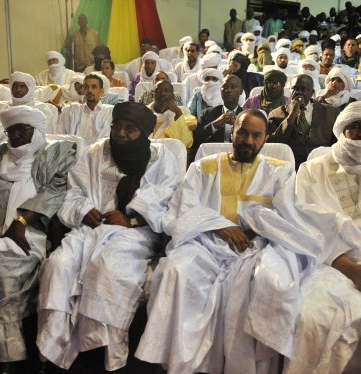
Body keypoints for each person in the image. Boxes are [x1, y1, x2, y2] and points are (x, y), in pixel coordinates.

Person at [135, 108, 324, 374]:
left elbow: (288, 217)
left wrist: (259, 228)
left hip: (258, 248)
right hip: (206, 242)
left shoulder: (280, 172)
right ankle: (183, 361)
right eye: (243, 132)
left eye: (256, 135)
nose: (248, 140)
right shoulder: (204, 167)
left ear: (265, 138)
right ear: (232, 132)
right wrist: (220, 226)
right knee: (174, 270)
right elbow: (182, 210)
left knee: (268, 284)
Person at [36, 101, 182, 372]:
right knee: (58, 265)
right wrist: (84, 210)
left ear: (145, 133)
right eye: (117, 126)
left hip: (136, 234)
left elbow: (170, 201)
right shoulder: (95, 152)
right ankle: (57, 345)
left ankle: (103, 349)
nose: (121, 134)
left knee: (106, 266)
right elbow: (74, 191)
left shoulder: (161, 158)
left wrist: (131, 219)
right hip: (89, 229)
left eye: (130, 129)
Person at [0, 105, 77, 373]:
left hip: (32, 234)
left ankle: (10, 355)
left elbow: (54, 193)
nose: (14, 136)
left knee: (1, 269)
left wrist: (20, 221)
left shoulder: (54, 154)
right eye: (10, 130)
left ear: (36, 130)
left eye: (21, 129)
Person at [285, 101, 361, 373]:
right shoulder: (312, 169)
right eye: (354, 127)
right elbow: (305, 229)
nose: (360, 134)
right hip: (328, 262)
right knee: (313, 316)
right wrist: (351, 269)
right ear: (341, 130)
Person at [268, 74, 340, 170]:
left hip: (322, 166)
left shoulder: (331, 112)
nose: (299, 92)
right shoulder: (276, 114)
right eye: (295, 88)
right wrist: (291, 116)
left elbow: (338, 144)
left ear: (312, 93)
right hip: (289, 167)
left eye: (304, 89)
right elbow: (274, 145)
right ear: (289, 91)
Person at [0, 71, 58, 139]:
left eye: (22, 86)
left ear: (30, 89)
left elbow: (41, 135)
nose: (18, 90)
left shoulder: (41, 109)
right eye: (15, 86)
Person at [191, 74, 243, 158]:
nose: (228, 90)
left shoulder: (247, 115)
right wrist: (214, 125)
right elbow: (195, 140)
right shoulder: (207, 113)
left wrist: (239, 126)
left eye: (233, 87)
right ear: (220, 90)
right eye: (224, 87)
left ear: (241, 91)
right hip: (213, 158)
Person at [57, 73, 113, 142]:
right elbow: (60, 137)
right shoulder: (71, 110)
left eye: (94, 87)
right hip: (76, 151)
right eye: (86, 87)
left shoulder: (110, 112)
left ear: (102, 91)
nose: (89, 90)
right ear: (83, 90)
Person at [148, 80, 196, 148]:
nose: (162, 93)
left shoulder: (183, 111)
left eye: (166, 91)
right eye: (158, 91)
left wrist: (178, 113)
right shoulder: (144, 112)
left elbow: (186, 143)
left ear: (172, 96)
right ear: (152, 94)